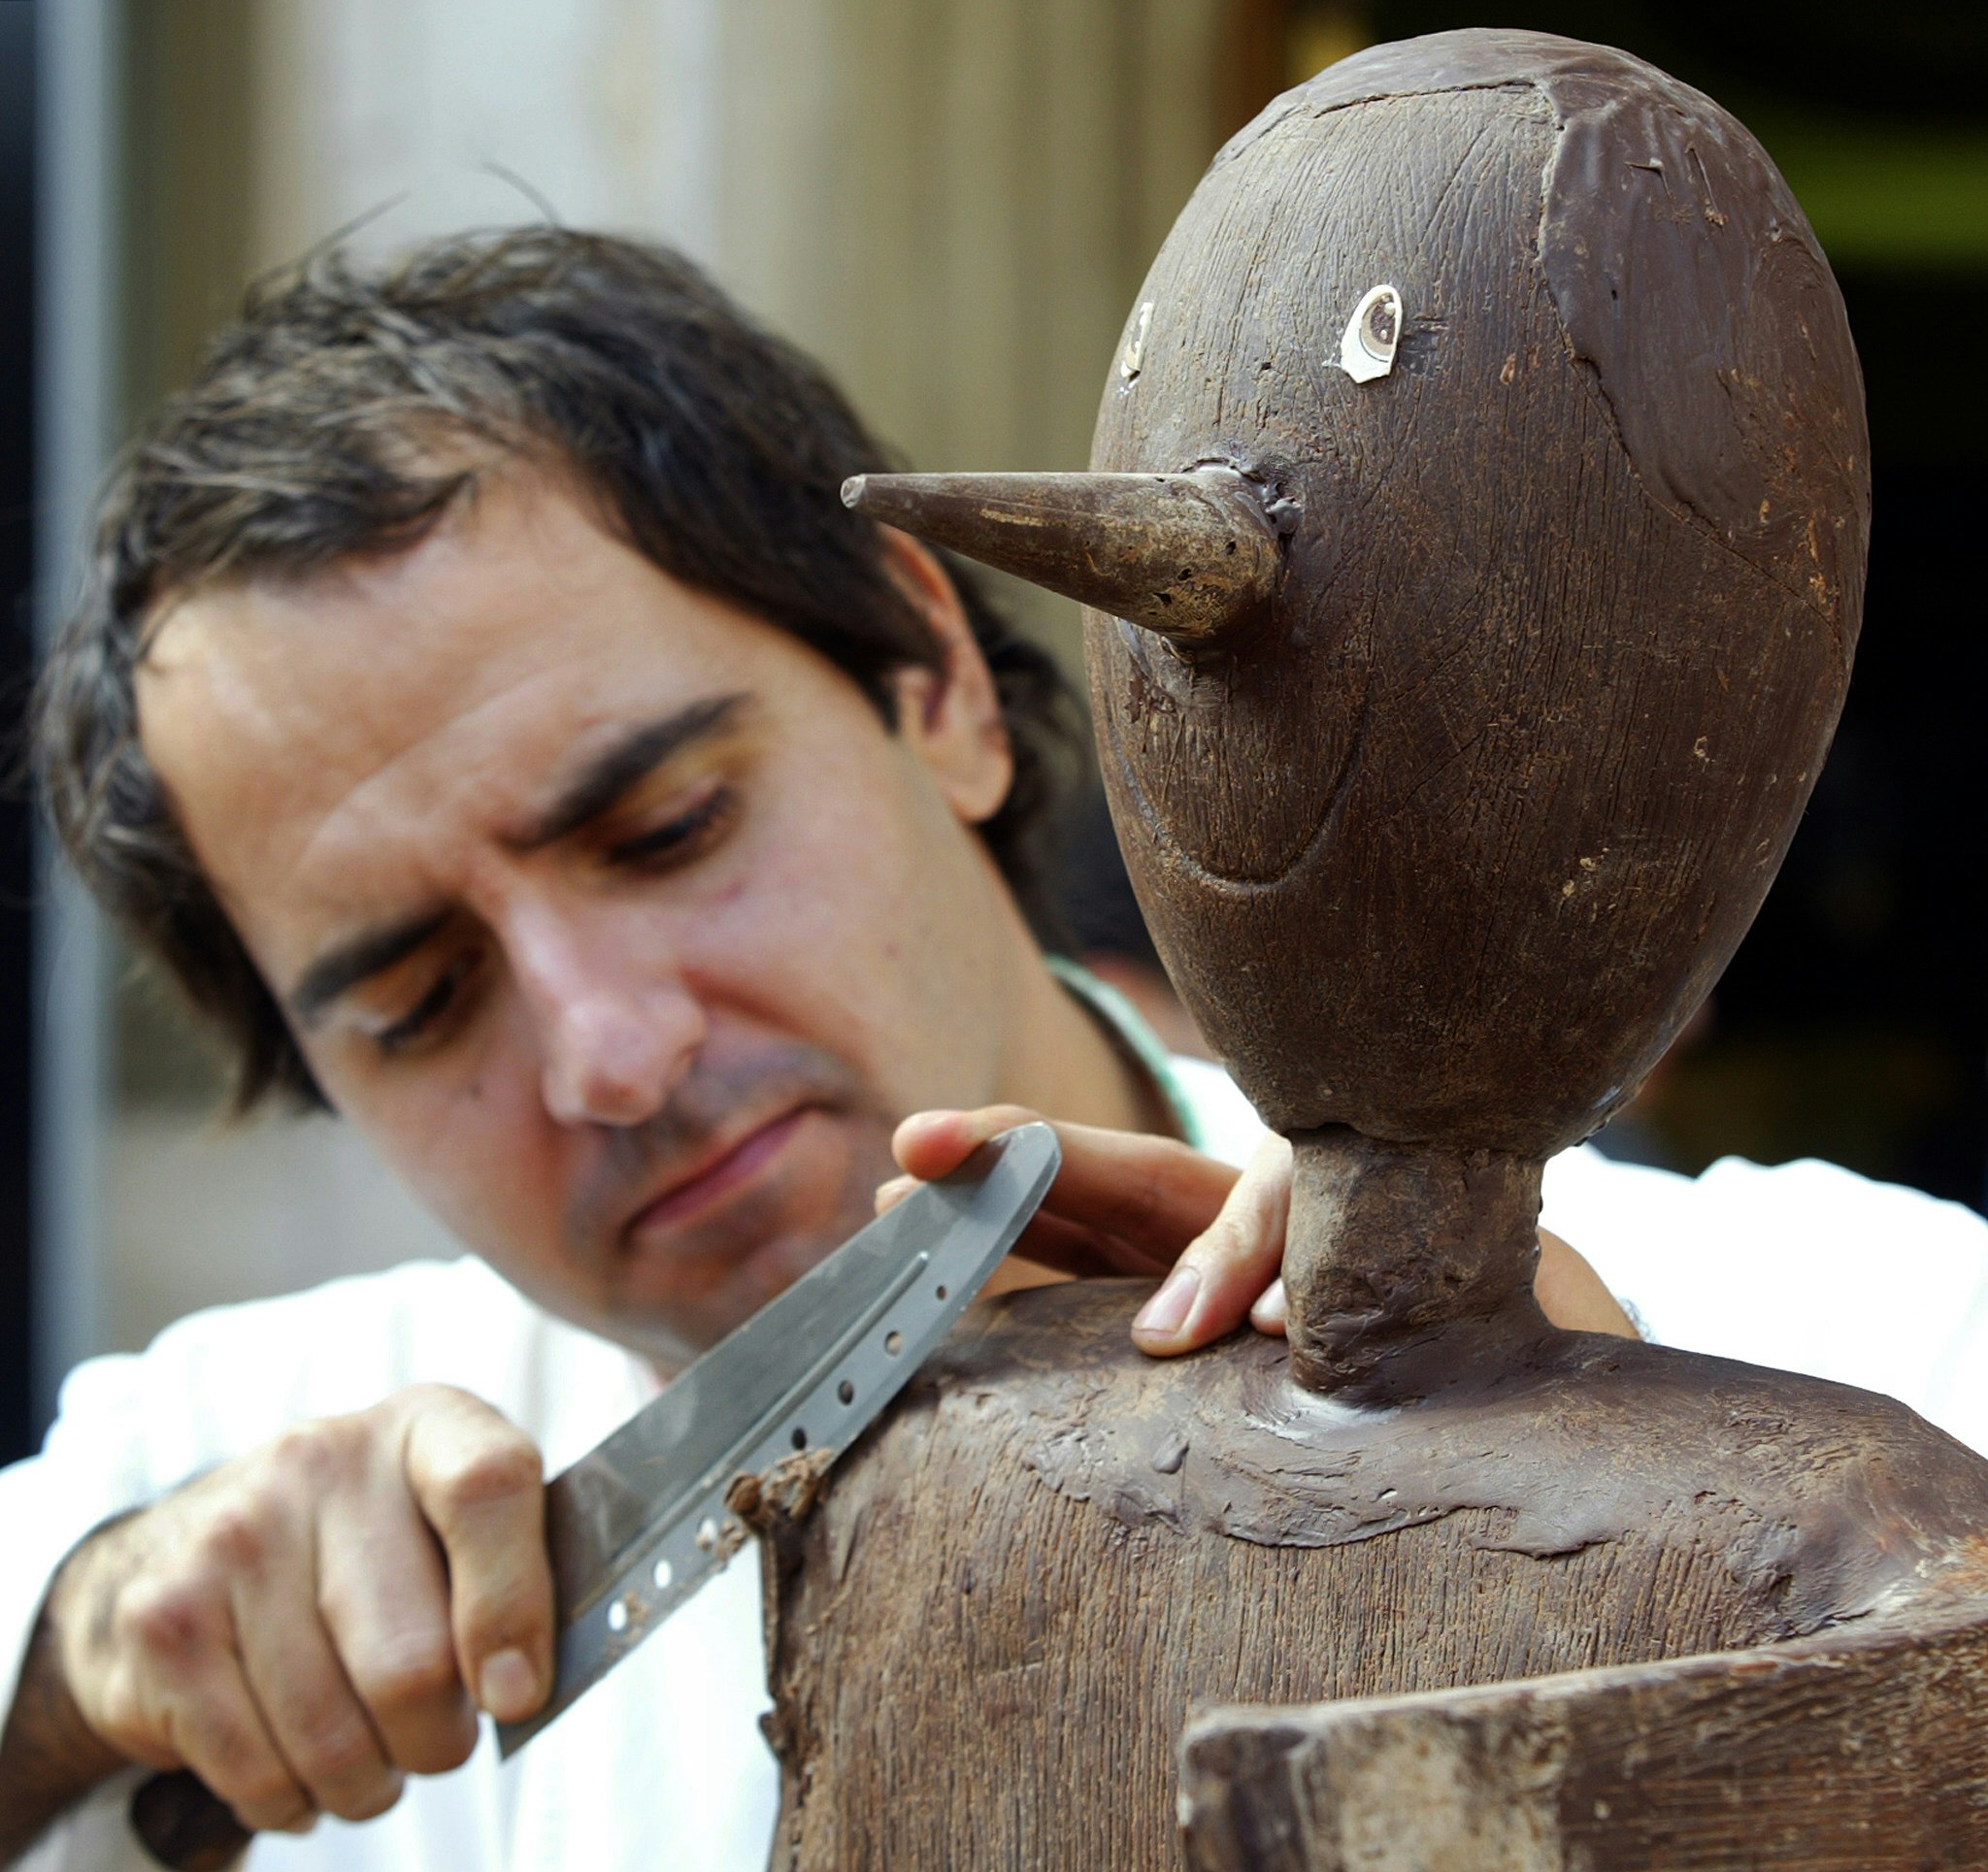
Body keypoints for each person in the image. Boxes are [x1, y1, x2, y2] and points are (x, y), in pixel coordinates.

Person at [2, 228, 1982, 1872]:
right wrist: (88, 1656)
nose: (606, 1051)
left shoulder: (1855, 1333)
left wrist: (1623, 1480)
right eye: (417, 1000)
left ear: (933, 676)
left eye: (668, 827)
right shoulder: (245, 1491)